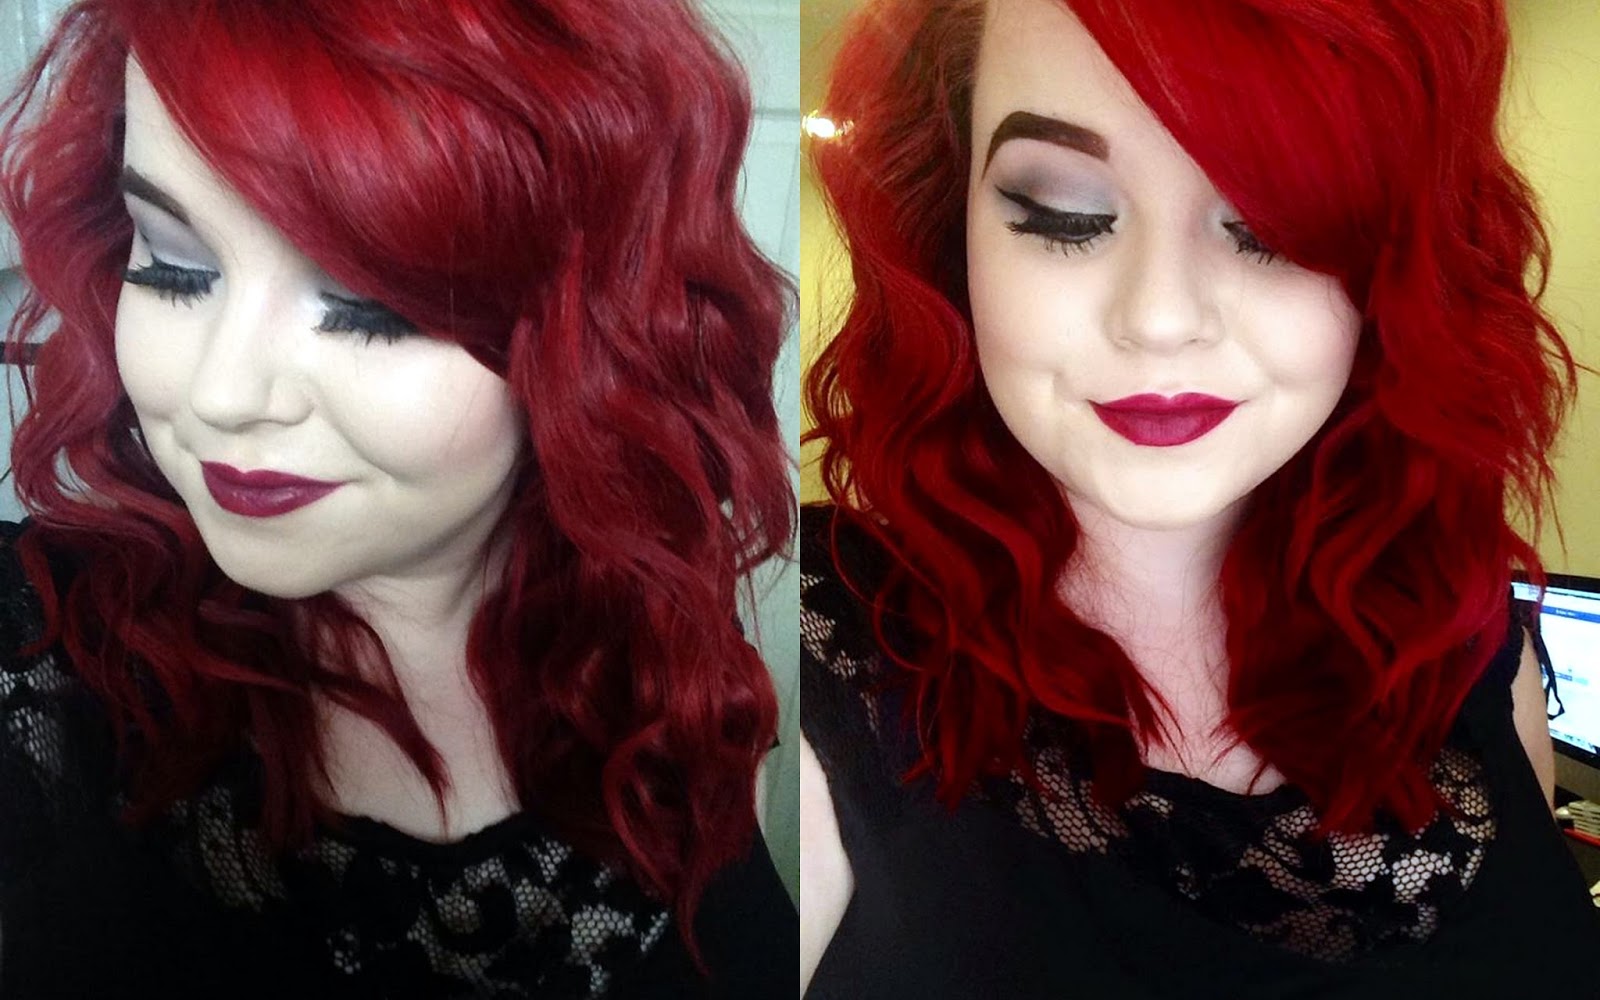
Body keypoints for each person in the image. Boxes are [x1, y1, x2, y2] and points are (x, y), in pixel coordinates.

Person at [799, 0, 1600, 995]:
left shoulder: (1467, 633)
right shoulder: (802, 652)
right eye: (1063, 214)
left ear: (1394, 262)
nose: (1160, 318)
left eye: (1266, 224)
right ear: (948, 227)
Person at [0, 1, 798, 996]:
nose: (221, 394)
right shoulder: (40, 664)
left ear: (594, 334)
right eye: (174, 264)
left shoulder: (663, 653)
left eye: (369, 301)